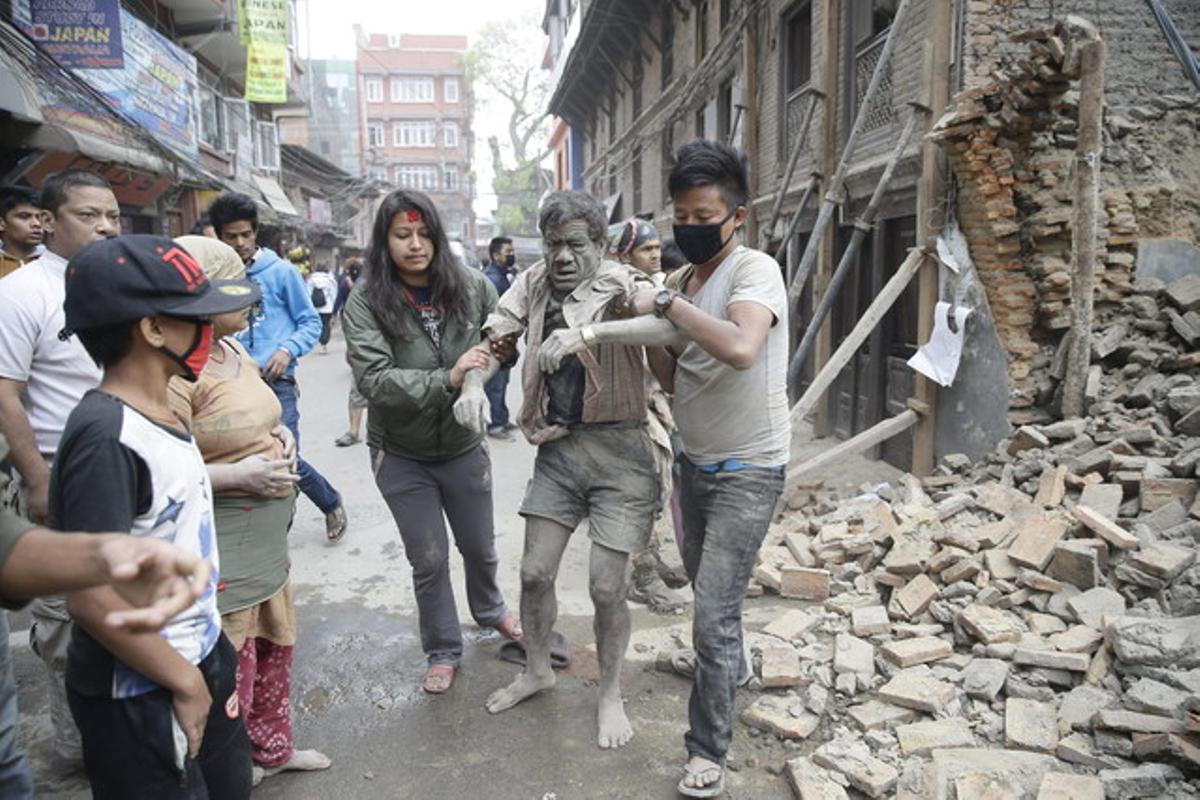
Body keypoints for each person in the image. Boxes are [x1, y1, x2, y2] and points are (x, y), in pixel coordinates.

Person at [535, 140, 790, 797]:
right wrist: (616, 331)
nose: (692, 227)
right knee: (713, 592)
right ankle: (727, 666)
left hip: (749, 470)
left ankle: (707, 750)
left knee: (711, 612)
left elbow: (738, 347)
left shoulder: (755, 272)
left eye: (705, 213)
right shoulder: (682, 283)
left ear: (738, 214)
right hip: (695, 465)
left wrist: (656, 313)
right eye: (682, 215)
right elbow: (671, 365)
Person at [54, 234, 257, 799]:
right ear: (152, 329)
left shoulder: (164, 409)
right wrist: (183, 681)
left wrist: (206, 664)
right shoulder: (106, 437)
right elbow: (91, 596)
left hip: (197, 653)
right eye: (197, 317)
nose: (210, 332)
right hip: (139, 687)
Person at [464, 191, 657, 751]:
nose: (564, 256)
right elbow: (497, 338)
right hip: (560, 451)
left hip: (623, 455)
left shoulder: (625, 284)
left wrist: (590, 333)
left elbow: (667, 327)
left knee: (605, 587)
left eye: (576, 244)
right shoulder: (533, 283)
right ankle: (536, 669)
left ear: (600, 244)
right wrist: (475, 385)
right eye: (554, 245)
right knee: (533, 574)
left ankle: (611, 692)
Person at [342, 190, 521, 695]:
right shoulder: (366, 299)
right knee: (429, 557)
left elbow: (503, 340)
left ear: (439, 238)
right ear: (384, 241)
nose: (415, 245)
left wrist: (481, 372)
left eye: (424, 234)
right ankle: (442, 647)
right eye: (402, 235)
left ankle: (491, 610)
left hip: (464, 444)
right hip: (401, 453)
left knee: (480, 547)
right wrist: (447, 378)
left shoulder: (470, 284)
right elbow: (374, 381)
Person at [168, 236, 331, 786]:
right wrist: (238, 474)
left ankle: (273, 749)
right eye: (236, 285)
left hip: (265, 548)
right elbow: (160, 470)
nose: (252, 298)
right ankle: (232, 767)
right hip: (222, 552)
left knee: (272, 647)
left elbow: (260, 414)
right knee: (229, 663)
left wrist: (279, 434)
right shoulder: (175, 373)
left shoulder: (232, 351)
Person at [0, 429, 217, 798]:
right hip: (123, 696)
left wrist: (105, 557)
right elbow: (89, 603)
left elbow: (6, 541)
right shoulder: (103, 434)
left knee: (6, 764)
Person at [0, 168, 117, 770]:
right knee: (68, 625)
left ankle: (127, 738)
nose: (104, 227)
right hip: (59, 476)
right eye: (88, 215)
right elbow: (5, 394)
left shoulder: (117, 283)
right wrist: (39, 481)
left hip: (124, 470)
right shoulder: (24, 293)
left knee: (125, 605)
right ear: (49, 221)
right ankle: (80, 751)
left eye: (112, 216)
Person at [207, 192, 348, 542]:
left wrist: (287, 349)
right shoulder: (216, 275)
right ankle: (270, 531)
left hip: (277, 381)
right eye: (231, 236)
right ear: (219, 236)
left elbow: (310, 323)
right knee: (244, 458)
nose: (239, 243)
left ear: (255, 233)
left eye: (245, 235)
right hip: (230, 382)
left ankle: (322, 506)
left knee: (284, 456)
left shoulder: (282, 272)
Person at [480, 237, 518, 440]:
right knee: (495, 383)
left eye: (512, 251)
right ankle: (495, 425)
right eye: (508, 251)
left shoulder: (503, 275)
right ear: (495, 255)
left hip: (505, 336)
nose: (511, 255)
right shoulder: (493, 279)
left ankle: (502, 418)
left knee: (502, 382)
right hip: (497, 337)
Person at [333, 260, 367, 447]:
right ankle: (353, 431)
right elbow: (340, 300)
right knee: (358, 387)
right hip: (364, 348)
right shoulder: (357, 287)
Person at [0, 186, 45, 278]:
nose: (37, 224)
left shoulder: (55, 260)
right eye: (24, 216)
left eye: (39, 217)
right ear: (1, 223)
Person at [613, 217, 663, 284]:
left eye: (657, 247)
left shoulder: (661, 281)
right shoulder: (622, 287)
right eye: (647, 249)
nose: (655, 255)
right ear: (625, 256)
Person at [306, 262, 337, 354]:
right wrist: (335, 308)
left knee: (317, 324)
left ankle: (319, 340)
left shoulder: (311, 279)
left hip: (315, 307)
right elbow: (333, 294)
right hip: (328, 307)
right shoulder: (330, 280)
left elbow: (307, 293)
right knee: (326, 325)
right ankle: (324, 344)